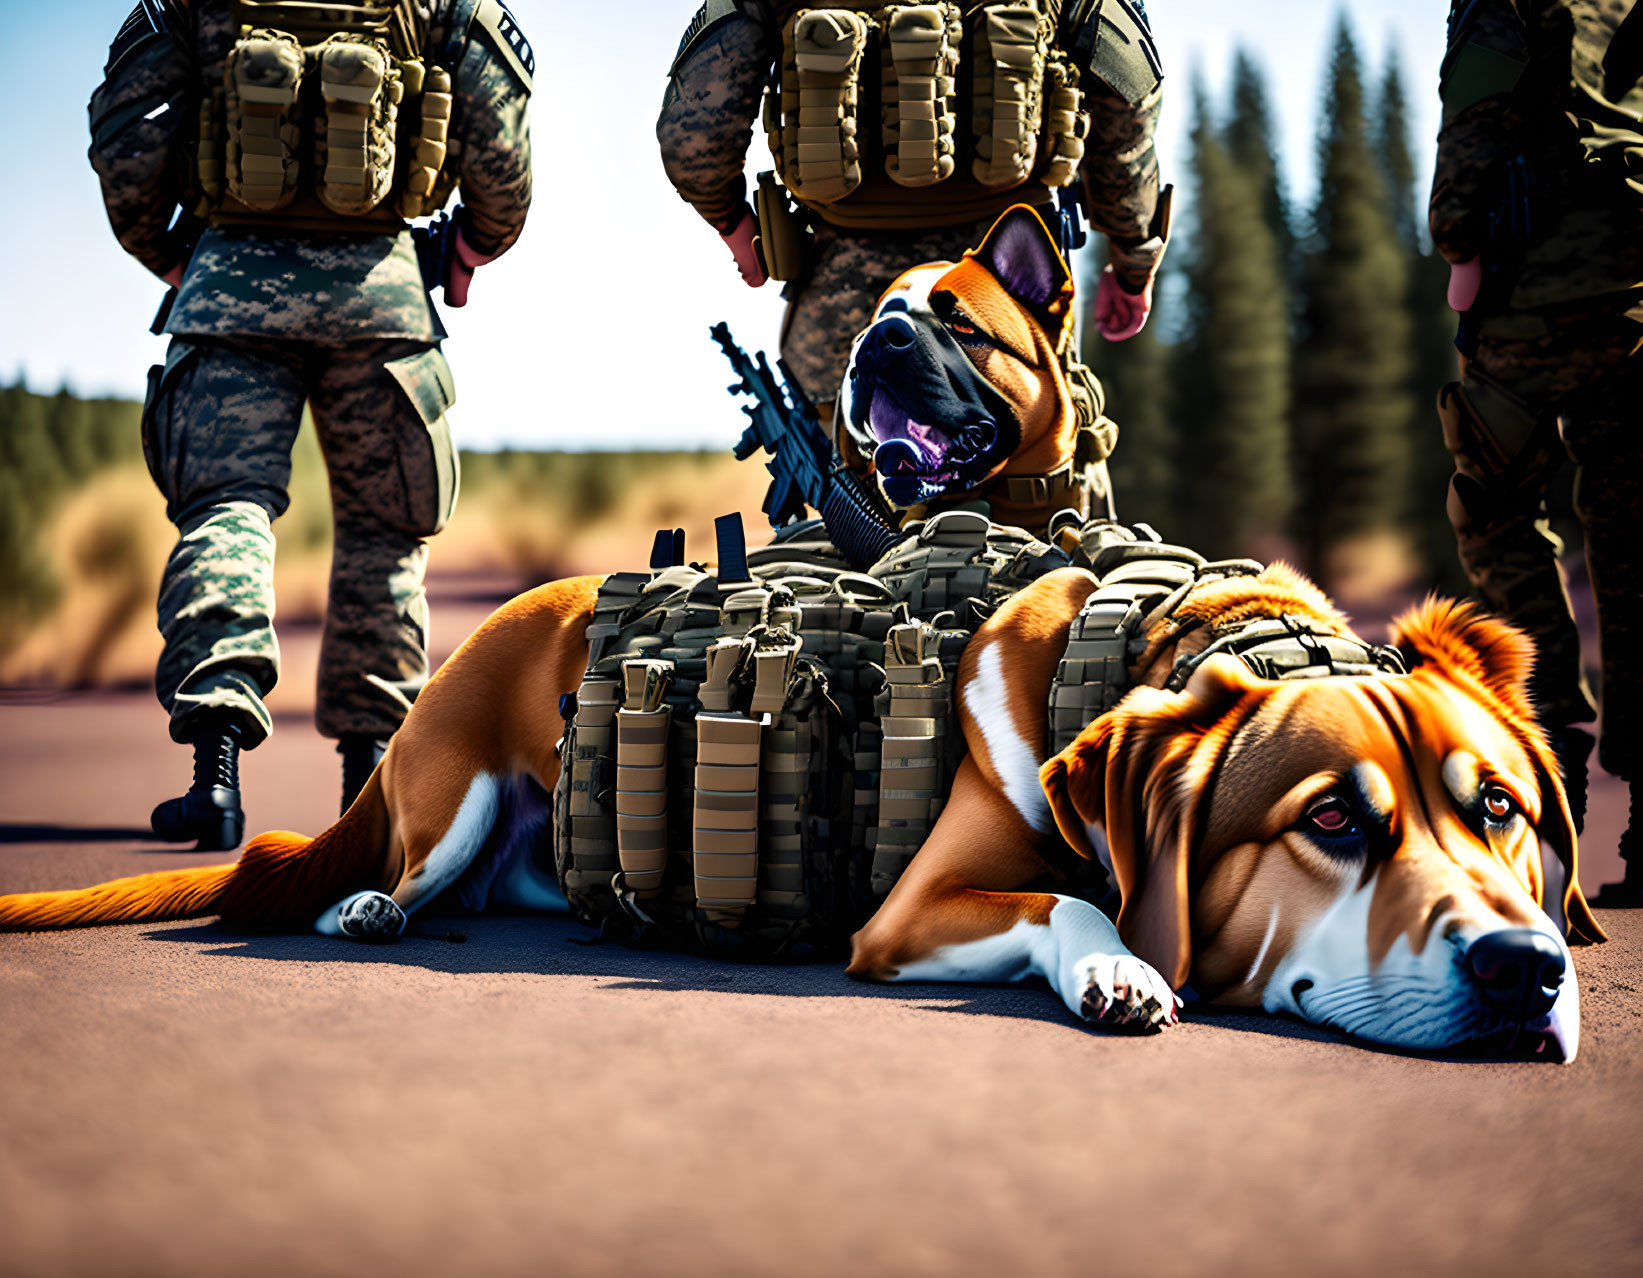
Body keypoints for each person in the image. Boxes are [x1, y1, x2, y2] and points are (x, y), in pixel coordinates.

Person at [88, 0, 533, 848]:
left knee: (226, 508)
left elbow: (126, 140)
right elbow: (503, 160)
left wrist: (176, 255)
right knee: (385, 536)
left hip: (229, 291)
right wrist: (469, 248)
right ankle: (368, 795)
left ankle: (214, 777)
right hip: (382, 297)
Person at [658, 0, 1170, 523]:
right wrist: (1132, 258)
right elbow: (1126, 107)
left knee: (836, 532)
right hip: (1004, 295)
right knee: (1046, 515)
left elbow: (691, 134)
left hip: (841, 291)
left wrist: (732, 222)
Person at [1431, 0, 1642, 900]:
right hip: (1635, 296)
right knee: (1633, 536)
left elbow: (1475, 134)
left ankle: (1546, 766)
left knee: (1492, 515)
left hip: (1528, 299)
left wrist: (1455, 237)